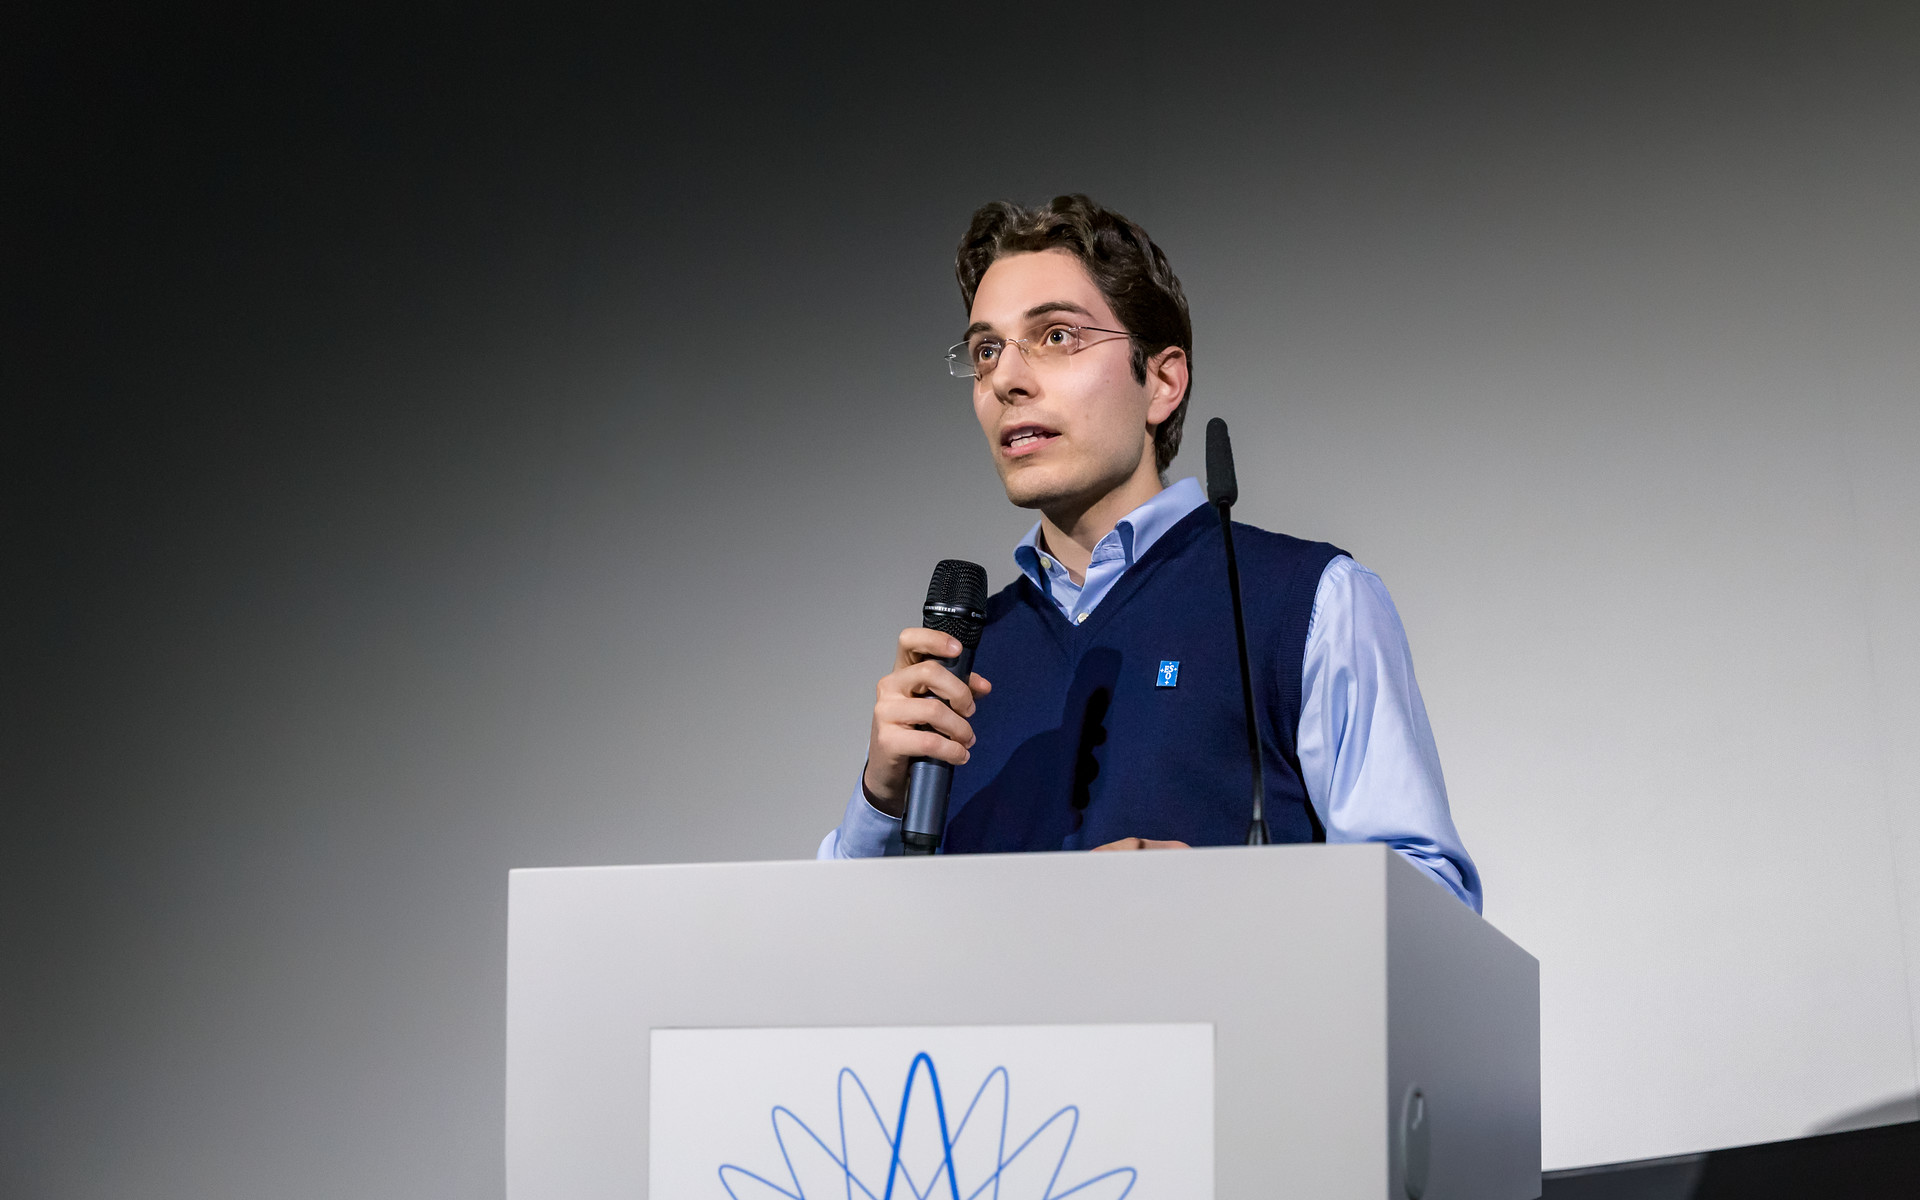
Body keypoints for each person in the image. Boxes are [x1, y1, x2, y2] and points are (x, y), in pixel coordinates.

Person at [816, 195, 1481, 911]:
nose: (1006, 380)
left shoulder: (1305, 603)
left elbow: (1434, 907)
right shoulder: (963, 666)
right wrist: (880, 800)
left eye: (1056, 336)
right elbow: (844, 949)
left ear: (1161, 382)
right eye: (986, 351)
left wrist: (1221, 902)